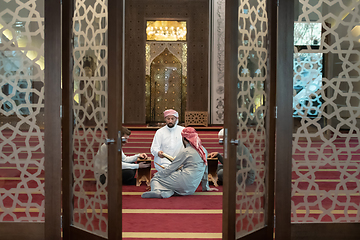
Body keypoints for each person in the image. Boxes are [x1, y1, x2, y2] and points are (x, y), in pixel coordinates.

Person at [142, 127, 218, 198]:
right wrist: (206, 187)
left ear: (184, 138)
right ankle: (168, 192)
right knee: (171, 181)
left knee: (156, 178)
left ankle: (157, 191)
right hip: (192, 188)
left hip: (183, 182)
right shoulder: (203, 150)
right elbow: (205, 170)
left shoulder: (186, 151)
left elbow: (171, 168)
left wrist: (158, 175)